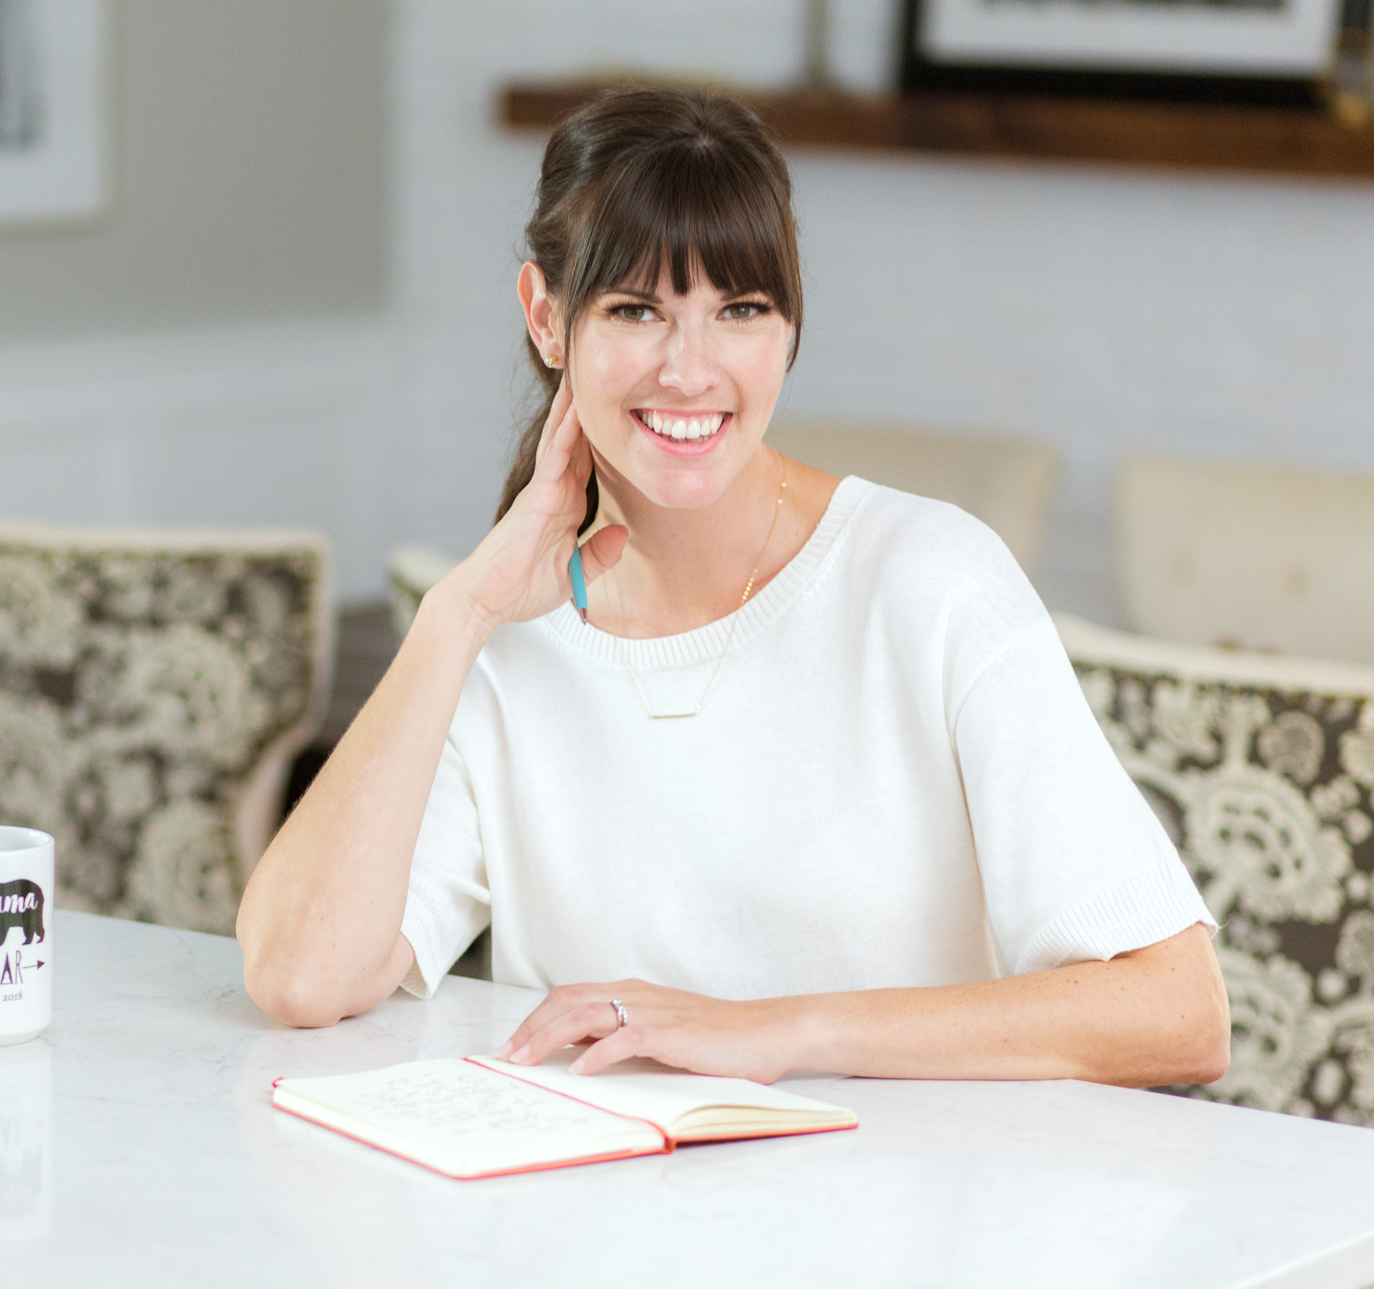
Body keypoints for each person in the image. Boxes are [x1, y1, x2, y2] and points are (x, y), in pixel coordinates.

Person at [236, 87, 1229, 1087]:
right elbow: (299, 976)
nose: (689, 370)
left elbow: (1176, 1009)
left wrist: (774, 1032)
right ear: (546, 318)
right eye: (634, 311)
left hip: (901, 1221)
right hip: (597, 1220)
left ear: (787, 330)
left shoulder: (928, 584)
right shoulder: (505, 636)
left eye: (738, 311)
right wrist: (457, 616)